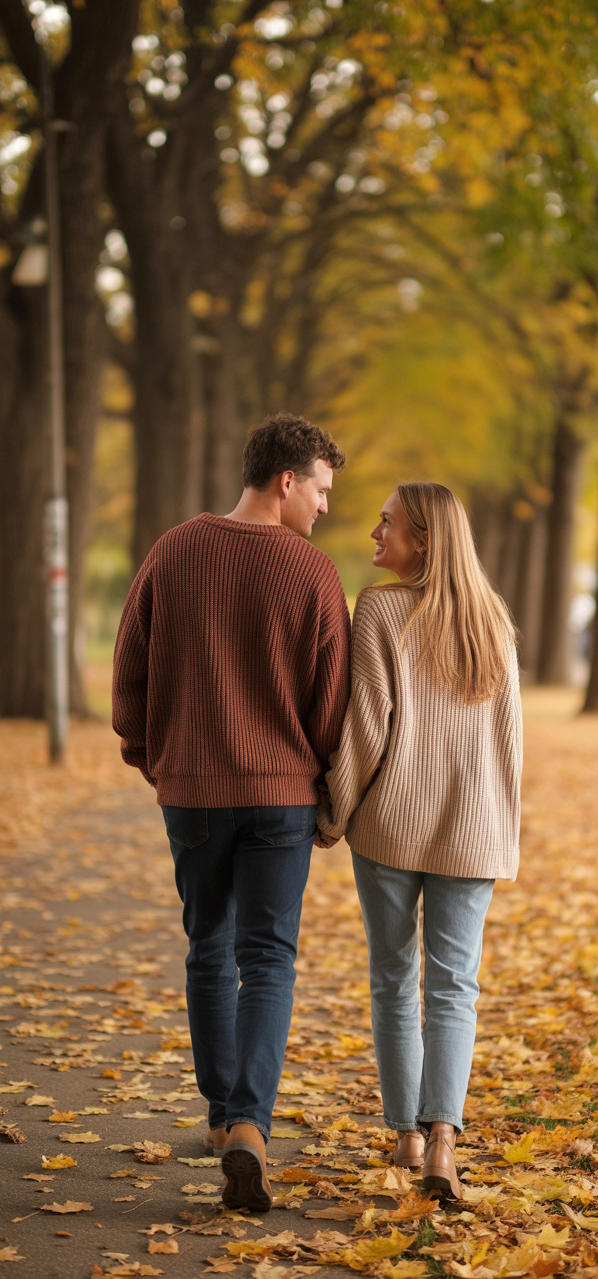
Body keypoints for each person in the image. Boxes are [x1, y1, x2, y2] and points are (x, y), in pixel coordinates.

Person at [112, 414, 350, 1213]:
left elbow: (130, 670)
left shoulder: (172, 551)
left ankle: (219, 1117)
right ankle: (250, 1123)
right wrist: (321, 780)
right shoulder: (314, 574)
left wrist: (154, 757)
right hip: (282, 794)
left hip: (193, 790)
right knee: (269, 958)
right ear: (286, 481)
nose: (324, 507)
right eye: (320, 490)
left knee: (207, 946)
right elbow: (331, 703)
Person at [317, 482, 521, 1199]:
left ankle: (405, 1133)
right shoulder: (493, 618)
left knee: (394, 978)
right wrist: (502, 833)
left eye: (388, 523)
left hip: (390, 826)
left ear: (424, 539)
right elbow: (508, 741)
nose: (375, 533)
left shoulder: (378, 608)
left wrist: (335, 812)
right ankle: (442, 1144)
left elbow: (366, 726)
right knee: (455, 987)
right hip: (473, 829)